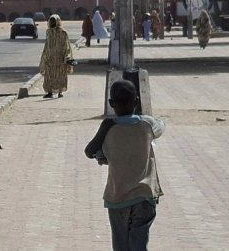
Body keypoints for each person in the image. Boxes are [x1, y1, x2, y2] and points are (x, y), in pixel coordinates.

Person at [84, 80, 164, 251]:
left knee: (120, 244)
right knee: (139, 243)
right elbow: (161, 127)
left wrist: (105, 126)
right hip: (144, 195)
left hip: (117, 197)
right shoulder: (147, 124)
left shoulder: (109, 129)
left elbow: (90, 151)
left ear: (111, 104)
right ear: (136, 101)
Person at [39, 15, 76, 98]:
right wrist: (45, 55)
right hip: (50, 58)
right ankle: (49, 92)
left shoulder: (63, 32)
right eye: (51, 21)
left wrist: (66, 56)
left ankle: (60, 91)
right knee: (48, 75)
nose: (52, 23)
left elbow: (66, 45)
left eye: (53, 21)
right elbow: (46, 44)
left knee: (60, 75)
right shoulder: (48, 32)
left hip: (60, 58)